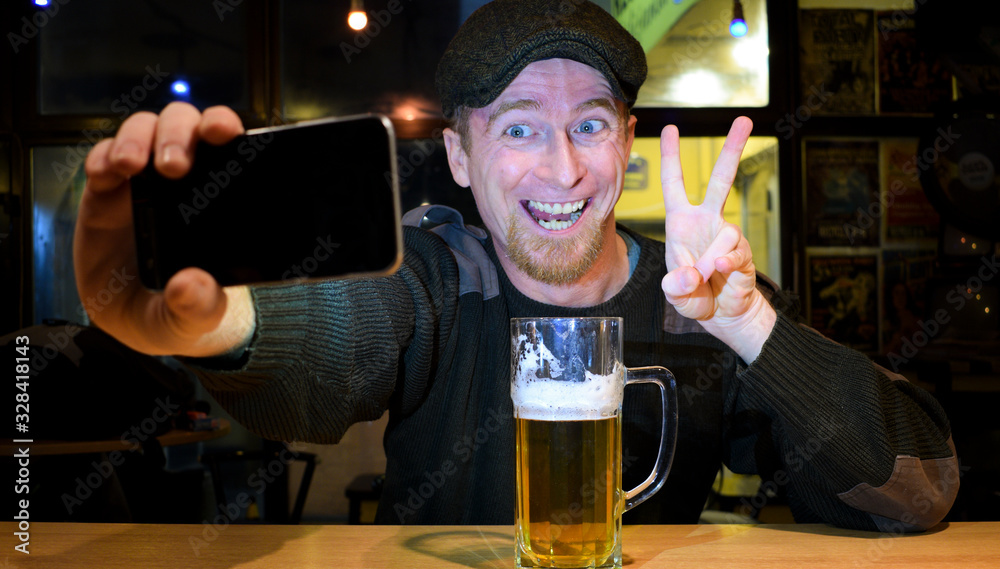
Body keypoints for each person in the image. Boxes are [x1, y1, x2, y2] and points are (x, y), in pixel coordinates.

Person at [75, 0, 958, 530]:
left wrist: (750, 324)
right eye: (520, 126)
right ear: (460, 155)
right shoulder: (435, 276)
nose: (564, 169)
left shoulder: (705, 293)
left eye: (590, 125)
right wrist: (212, 320)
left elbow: (918, 493)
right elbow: (333, 343)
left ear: (626, 143)